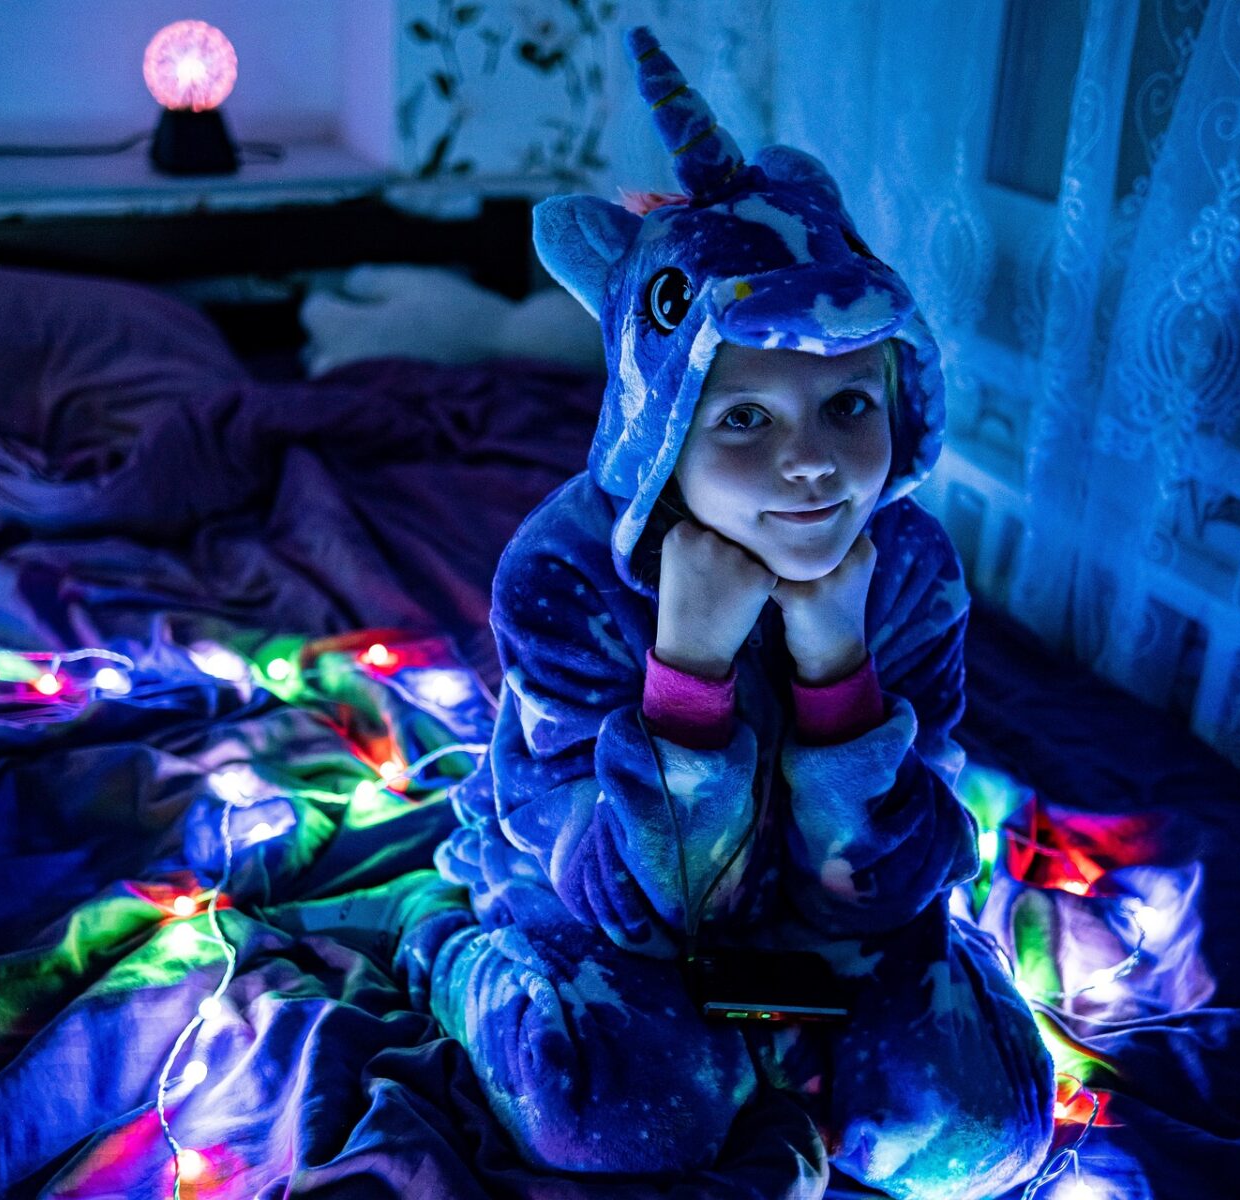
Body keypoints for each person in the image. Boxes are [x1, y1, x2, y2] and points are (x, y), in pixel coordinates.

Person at [284, 26, 1056, 1199]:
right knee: (617, 1121)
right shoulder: (562, 576)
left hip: (826, 913)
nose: (814, 466)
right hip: (612, 887)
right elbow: (640, 907)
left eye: (850, 401)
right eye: (744, 419)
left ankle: (911, 1007)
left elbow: (890, 877)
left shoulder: (910, 571)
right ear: (660, 429)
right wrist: (689, 668)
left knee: (982, 1137)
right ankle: (445, 942)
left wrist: (837, 664)